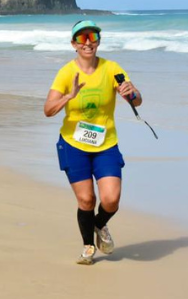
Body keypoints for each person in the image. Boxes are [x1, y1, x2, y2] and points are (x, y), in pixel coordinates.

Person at [43, 20, 143, 265]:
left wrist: (132, 92)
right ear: (73, 44)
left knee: (110, 200)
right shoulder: (66, 72)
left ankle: (99, 225)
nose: (87, 42)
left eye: (92, 36)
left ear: (98, 40)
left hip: (105, 144)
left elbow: (137, 100)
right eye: (82, 38)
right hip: (73, 145)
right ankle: (88, 246)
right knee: (87, 200)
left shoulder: (111, 68)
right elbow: (48, 110)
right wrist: (69, 96)